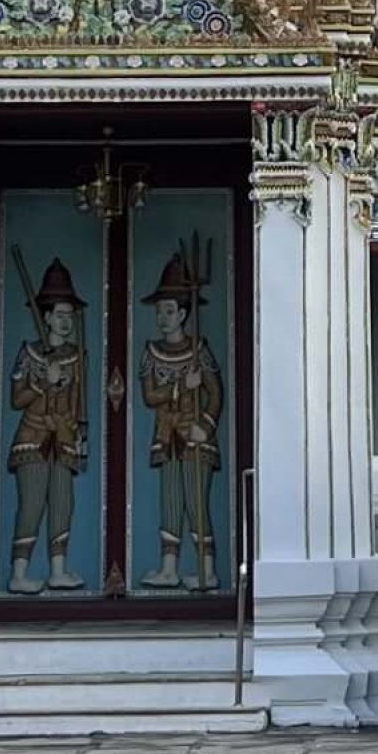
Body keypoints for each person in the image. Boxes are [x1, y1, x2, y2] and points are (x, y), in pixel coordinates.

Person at [138, 247, 224, 590]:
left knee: (196, 502)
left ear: (184, 313)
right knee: (170, 503)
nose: (163, 317)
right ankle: (169, 568)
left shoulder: (199, 349)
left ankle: (207, 570)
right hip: (167, 434)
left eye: (170, 310)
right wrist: (178, 387)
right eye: (160, 310)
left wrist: (206, 424)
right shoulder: (152, 352)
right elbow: (149, 395)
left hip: (195, 434)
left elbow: (215, 393)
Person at [6, 259, 89, 594]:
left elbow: (79, 403)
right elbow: (17, 399)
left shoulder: (76, 355)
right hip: (33, 438)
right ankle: (19, 573)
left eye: (70, 316)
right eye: (59, 315)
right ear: (47, 318)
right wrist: (43, 381)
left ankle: (58, 569)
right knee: (32, 504)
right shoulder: (30, 354)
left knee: (62, 504)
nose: (65, 322)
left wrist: (81, 437)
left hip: (64, 438)